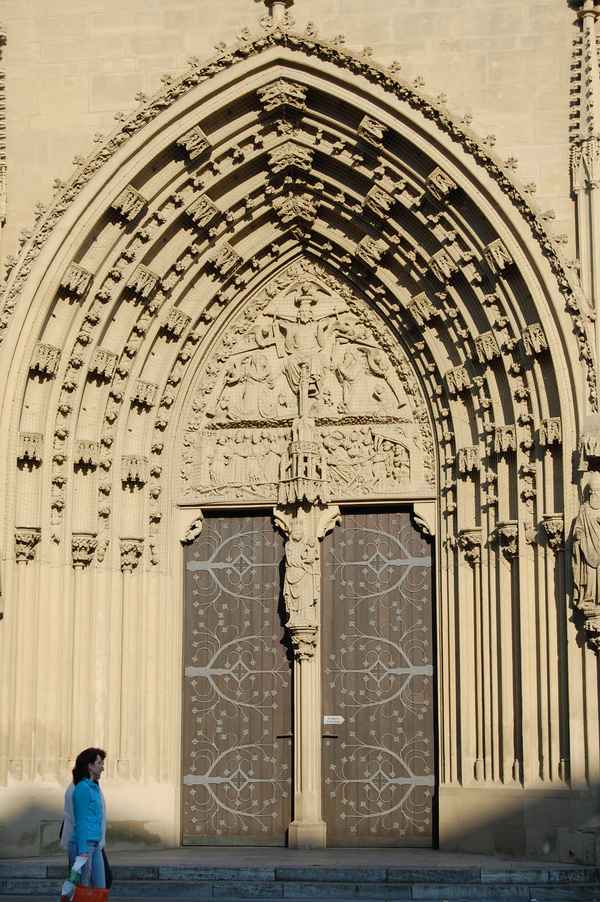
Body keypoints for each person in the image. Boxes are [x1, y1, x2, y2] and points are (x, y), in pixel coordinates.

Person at [60, 748, 107, 889]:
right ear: (90, 766)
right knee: (82, 891)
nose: (102, 767)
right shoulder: (82, 789)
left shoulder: (94, 788)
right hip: (83, 847)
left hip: (95, 845)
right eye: (99, 763)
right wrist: (82, 853)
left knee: (100, 889)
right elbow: (80, 822)